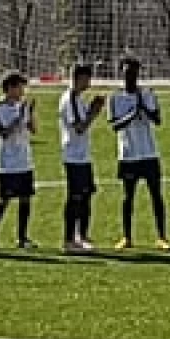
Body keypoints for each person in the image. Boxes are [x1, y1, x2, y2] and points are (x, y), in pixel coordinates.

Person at [109, 58, 168, 251]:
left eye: (134, 73)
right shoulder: (115, 97)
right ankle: (127, 236)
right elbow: (115, 125)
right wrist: (131, 115)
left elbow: (158, 120)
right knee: (128, 196)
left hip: (149, 152)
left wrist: (145, 109)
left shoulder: (148, 94)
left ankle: (162, 236)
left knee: (156, 195)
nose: (131, 77)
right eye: (127, 73)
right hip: (128, 154)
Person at [0, 73, 38, 252]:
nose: (23, 91)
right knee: (4, 199)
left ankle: (22, 237)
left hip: (25, 160)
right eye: (20, 87)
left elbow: (33, 130)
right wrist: (19, 117)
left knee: (26, 199)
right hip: (7, 163)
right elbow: (4, 133)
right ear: (10, 88)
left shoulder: (21, 107)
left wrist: (30, 114)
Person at [59, 64, 105, 255]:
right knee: (75, 197)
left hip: (83, 156)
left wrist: (93, 109)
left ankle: (82, 236)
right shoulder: (69, 99)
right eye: (87, 79)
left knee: (86, 196)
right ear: (78, 78)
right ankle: (69, 239)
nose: (89, 83)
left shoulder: (78, 99)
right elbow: (79, 127)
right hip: (73, 156)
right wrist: (94, 112)